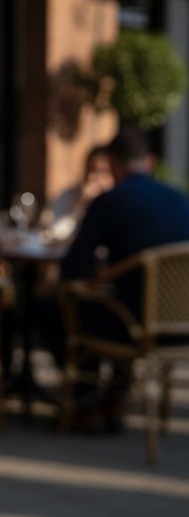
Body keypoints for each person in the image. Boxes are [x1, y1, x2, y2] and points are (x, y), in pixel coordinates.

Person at [57, 128, 189, 431]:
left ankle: (85, 399)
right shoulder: (179, 198)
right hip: (180, 325)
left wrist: (99, 277)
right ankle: (113, 397)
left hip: (132, 326)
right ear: (150, 161)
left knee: (56, 309)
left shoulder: (110, 200)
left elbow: (73, 269)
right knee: (121, 301)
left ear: (113, 163)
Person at [43, 145, 114, 242]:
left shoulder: (118, 202)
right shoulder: (68, 196)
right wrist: (81, 205)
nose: (91, 177)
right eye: (90, 170)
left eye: (102, 171)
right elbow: (54, 236)